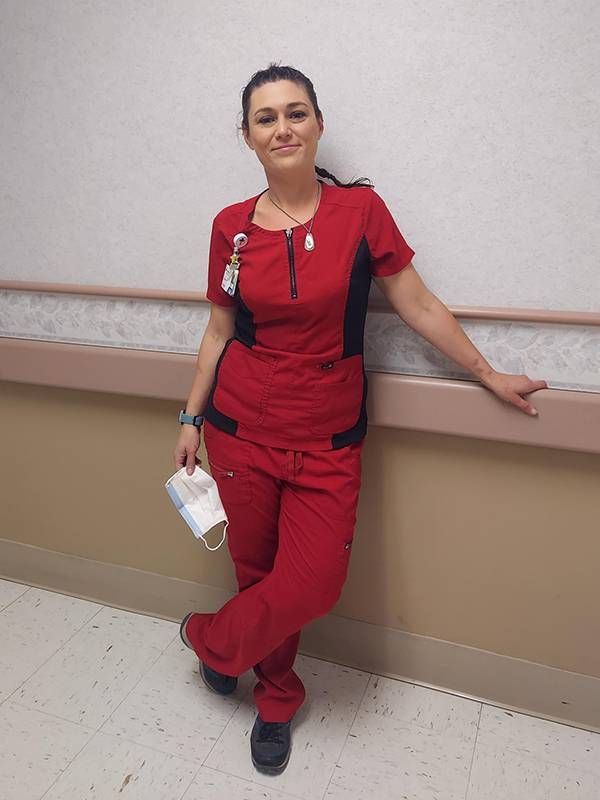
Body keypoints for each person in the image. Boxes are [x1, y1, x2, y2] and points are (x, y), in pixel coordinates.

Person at [173, 63, 547, 776]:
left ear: (318, 124)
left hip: (329, 435)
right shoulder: (231, 228)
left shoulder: (362, 213)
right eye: (265, 117)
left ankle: (211, 640)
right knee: (259, 576)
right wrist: (190, 417)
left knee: (310, 583)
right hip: (239, 431)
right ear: (247, 138)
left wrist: (487, 373)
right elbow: (219, 332)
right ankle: (275, 700)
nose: (282, 127)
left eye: (295, 112)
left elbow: (419, 304)